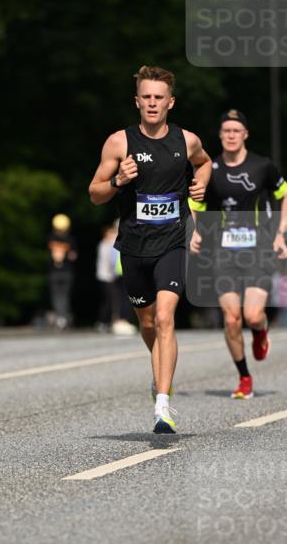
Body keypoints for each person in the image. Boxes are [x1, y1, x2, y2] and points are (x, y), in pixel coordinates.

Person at [88, 65, 211, 433]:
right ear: (137, 101)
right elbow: (94, 193)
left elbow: (204, 164)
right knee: (147, 323)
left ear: (170, 102)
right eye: (147, 97)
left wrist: (200, 188)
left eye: (159, 97)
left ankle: (163, 403)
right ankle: (160, 369)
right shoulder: (119, 143)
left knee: (164, 319)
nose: (153, 103)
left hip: (173, 242)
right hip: (134, 247)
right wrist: (117, 180)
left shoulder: (186, 140)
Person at [189, 109, 287, 398]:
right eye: (226, 131)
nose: (232, 135)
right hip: (223, 251)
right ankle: (244, 377)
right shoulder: (210, 168)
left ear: (245, 134)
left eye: (237, 130)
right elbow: (195, 202)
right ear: (220, 135)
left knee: (252, 315)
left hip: (258, 249)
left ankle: (260, 332)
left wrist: (281, 233)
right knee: (232, 318)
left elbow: (286, 195)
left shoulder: (263, 166)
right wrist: (197, 231)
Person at [47, 213, 78, 330]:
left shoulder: (53, 238)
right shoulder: (69, 239)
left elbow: (73, 256)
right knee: (58, 296)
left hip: (65, 272)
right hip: (57, 271)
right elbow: (73, 256)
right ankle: (61, 317)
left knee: (62, 296)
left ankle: (62, 318)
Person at [95, 222, 119, 332]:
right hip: (106, 277)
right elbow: (110, 261)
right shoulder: (105, 245)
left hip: (107, 276)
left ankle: (107, 322)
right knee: (108, 301)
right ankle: (103, 322)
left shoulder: (105, 244)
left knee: (110, 300)